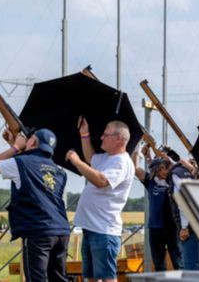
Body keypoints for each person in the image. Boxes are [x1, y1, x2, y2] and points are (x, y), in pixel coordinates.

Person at [0, 128, 71, 282]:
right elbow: (33, 166)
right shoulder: (59, 171)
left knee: (37, 279)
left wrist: (14, 147)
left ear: (32, 142)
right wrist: (15, 144)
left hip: (38, 230)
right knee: (59, 279)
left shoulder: (21, 163)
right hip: (61, 230)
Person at [65, 117, 134, 282]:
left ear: (118, 139)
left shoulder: (122, 162)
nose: (101, 137)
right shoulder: (107, 158)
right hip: (92, 228)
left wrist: (77, 162)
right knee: (91, 277)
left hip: (104, 230)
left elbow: (101, 181)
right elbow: (91, 158)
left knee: (107, 278)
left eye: (106, 134)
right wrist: (84, 134)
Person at [132, 145, 183, 271]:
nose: (164, 171)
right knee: (159, 263)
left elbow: (179, 166)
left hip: (172, 228)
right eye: (160, 169)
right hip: (155, 228)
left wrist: (166, 154)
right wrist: (137, 148)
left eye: (164, 168)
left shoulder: (173, 180)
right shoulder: (151, 181)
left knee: (178, 262)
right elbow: (135, 168)